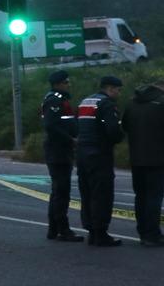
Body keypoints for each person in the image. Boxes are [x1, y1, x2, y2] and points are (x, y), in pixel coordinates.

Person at [122, 79, 164, 247]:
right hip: (158, 157)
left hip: (136, 157)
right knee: (154, 197)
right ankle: (153, 234)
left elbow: (124, 126)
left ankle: (143, 232)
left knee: (140, 196)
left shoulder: (132, 103)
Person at [76, 76, 125, 246]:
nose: (118, 94)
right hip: (99, 153)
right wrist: (119, 137)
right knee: (102, 193)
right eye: (118, 90)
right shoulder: (106, 104)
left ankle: (91, 230)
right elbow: (112, 129)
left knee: (87, 192)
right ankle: (101, 232)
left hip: (82, 153)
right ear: (110, 88)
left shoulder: (85, 101)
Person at [41, 70, 83, 242]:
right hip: (58, 150)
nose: (68, 84)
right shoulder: (54, 100)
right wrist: (71, 140)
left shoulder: (59, 99)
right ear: (58, 84)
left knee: (58, 191)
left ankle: (54, 229)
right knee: (61, 191)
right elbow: (51, 126)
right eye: (66, 82)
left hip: (60, 149)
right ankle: (62, 229)